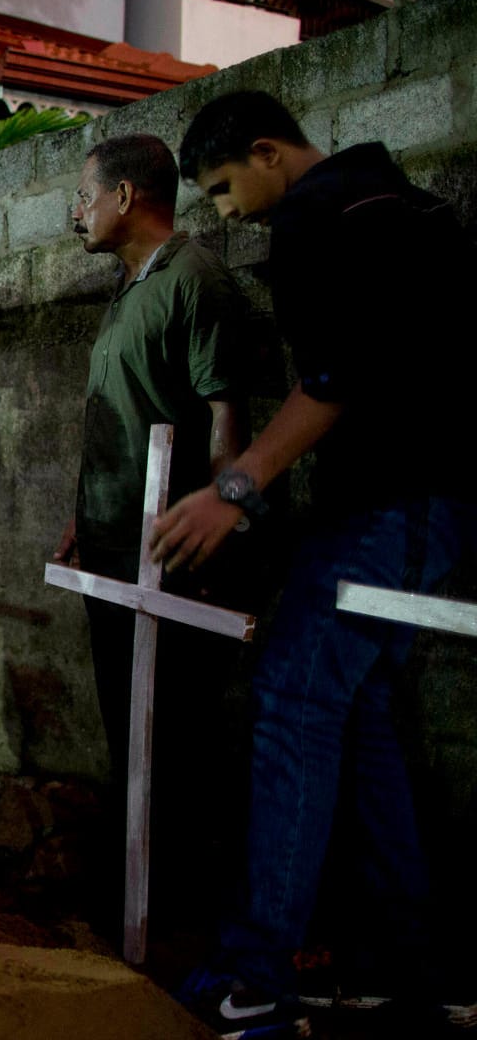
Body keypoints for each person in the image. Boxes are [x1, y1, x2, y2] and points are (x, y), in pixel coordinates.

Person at [150, 91, 477, 1037]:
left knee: (292, 699)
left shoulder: (315, 217)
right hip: (428, 500)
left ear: (266, 152)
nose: (224, 213)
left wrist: (238, 488)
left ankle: (257, 975)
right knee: (362, 713)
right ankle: (420, 968)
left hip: (396, 502)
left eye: (220, 188)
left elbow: (337, 379)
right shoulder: (403, 205)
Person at [48, 133, 255, 943]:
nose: (77, 213)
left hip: (170, 555)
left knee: (170, 744)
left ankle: (167, 927)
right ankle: (124, 906)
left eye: (83, 195)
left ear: (126, 198)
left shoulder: (195, 281)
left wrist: (218, 536)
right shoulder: (128, 288)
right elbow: (121, 420)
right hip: (110, 545)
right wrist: (85, 511)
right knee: (127, 732)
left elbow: (225, 419)